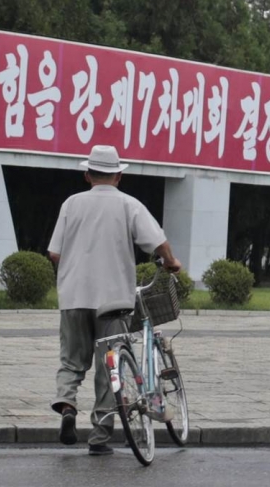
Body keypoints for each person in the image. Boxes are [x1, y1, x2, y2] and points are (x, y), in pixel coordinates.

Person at [48, 145, 181, 456]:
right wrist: (172, 262)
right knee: (109, 369)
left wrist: (73, 270)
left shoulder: (71, 203)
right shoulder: (128, 204)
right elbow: (158, 242)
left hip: (73, 297)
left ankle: (67, 404)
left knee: (71, 360)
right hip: (114, 300)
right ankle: (99, 436)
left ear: (87, 175)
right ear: (119, 175)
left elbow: (55, 252)